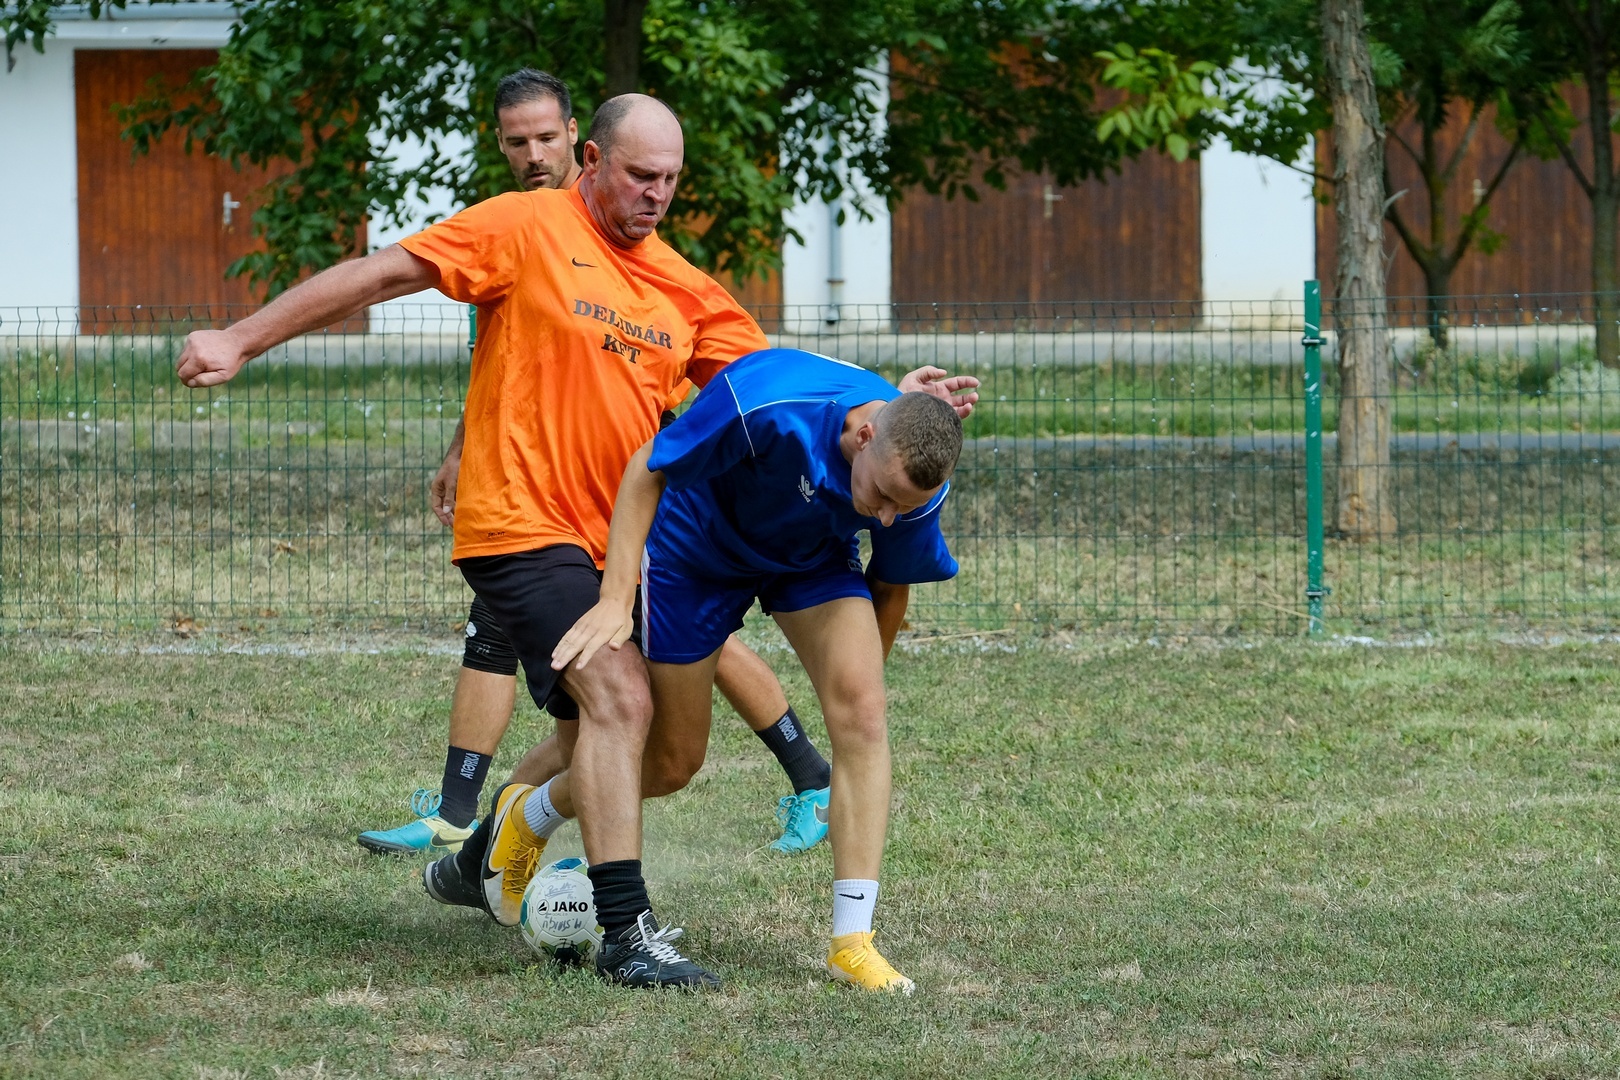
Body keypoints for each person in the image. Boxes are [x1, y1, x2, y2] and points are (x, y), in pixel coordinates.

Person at [179, 91, 973, 989]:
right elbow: (382, 274)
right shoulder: (522, 226)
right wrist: (242, 337)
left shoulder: (684, 288)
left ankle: (488, 848)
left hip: (620, 540)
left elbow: (776, 385)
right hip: (519, 522)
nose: (655, 194)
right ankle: (627, 934)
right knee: (620, 699)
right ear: (591, 160)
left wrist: (889, 404)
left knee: (651, 753)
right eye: (639, 175)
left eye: (670, 180)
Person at [354, 69, 838, 860]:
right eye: (518, 141)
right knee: (555, 668)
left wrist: (875, 409)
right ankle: (472, 827)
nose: (533, 154)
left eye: (546, 137)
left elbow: (756, 380)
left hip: (625, 495)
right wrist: (463, 446)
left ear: (578, 141)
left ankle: (808, 772)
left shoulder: (635, 253)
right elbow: (510, 365)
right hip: (529, 504)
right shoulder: (512, 228)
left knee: (681, 663)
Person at [539, 349, 967, 994]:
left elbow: (890, 579)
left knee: (865, 719)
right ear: (864, 435)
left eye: (899, 509)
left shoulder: (912, 485)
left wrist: (859, 694)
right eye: (881, 496)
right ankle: (532, 812)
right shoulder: (767, 401)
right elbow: (650, 467)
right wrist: (615, 597)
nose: (885, 516)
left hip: (812, 559)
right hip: (697, 553)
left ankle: (852, 943)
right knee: (671, 763)